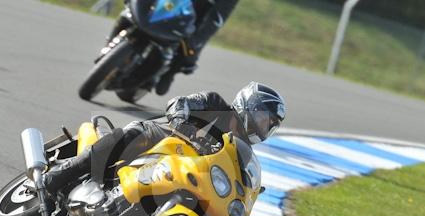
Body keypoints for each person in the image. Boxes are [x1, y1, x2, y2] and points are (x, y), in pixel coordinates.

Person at [43, 82, 286, 193]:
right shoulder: (214, 104)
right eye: (265, 120)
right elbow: (179, 103)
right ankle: (57, 176)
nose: (264, 129)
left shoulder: (241, 150)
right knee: (134, 133)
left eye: (270, 127)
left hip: (181, 171)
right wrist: (182, 120)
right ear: (250, 107)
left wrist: (247, 188)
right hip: (164, 140)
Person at [105, 0, 240, 95]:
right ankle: (110, 45)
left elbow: (217, 18)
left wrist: (197, 40)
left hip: (191, 24)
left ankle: (169, 73)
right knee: (129, 10)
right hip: (168, 4)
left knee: (189, 53)